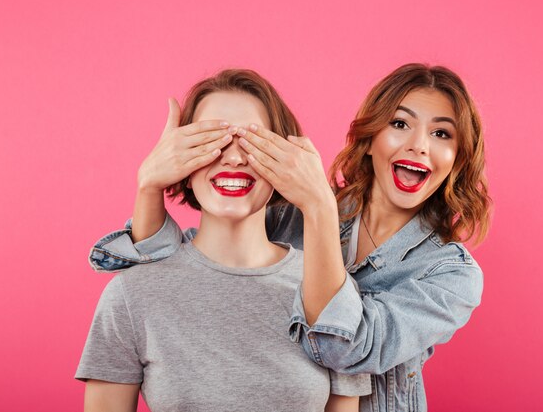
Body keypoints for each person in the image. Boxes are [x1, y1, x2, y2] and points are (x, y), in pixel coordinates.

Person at [89, 63, 491, 412]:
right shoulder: (291, 218)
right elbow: (178, 263)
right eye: (400, 124)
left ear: (459, 157)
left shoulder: (450, 274)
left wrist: (319, 206)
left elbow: (345, 347)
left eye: (442, 134)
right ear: (370, 139)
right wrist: (148, 185)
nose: (418, 145)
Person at [76, 69, 370, 412]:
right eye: (211, 141)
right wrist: (148, 185)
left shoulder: (331, 290)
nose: (234, 157)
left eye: (253, 142)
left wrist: (319, 202)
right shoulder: (131, 294)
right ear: (179, 159)